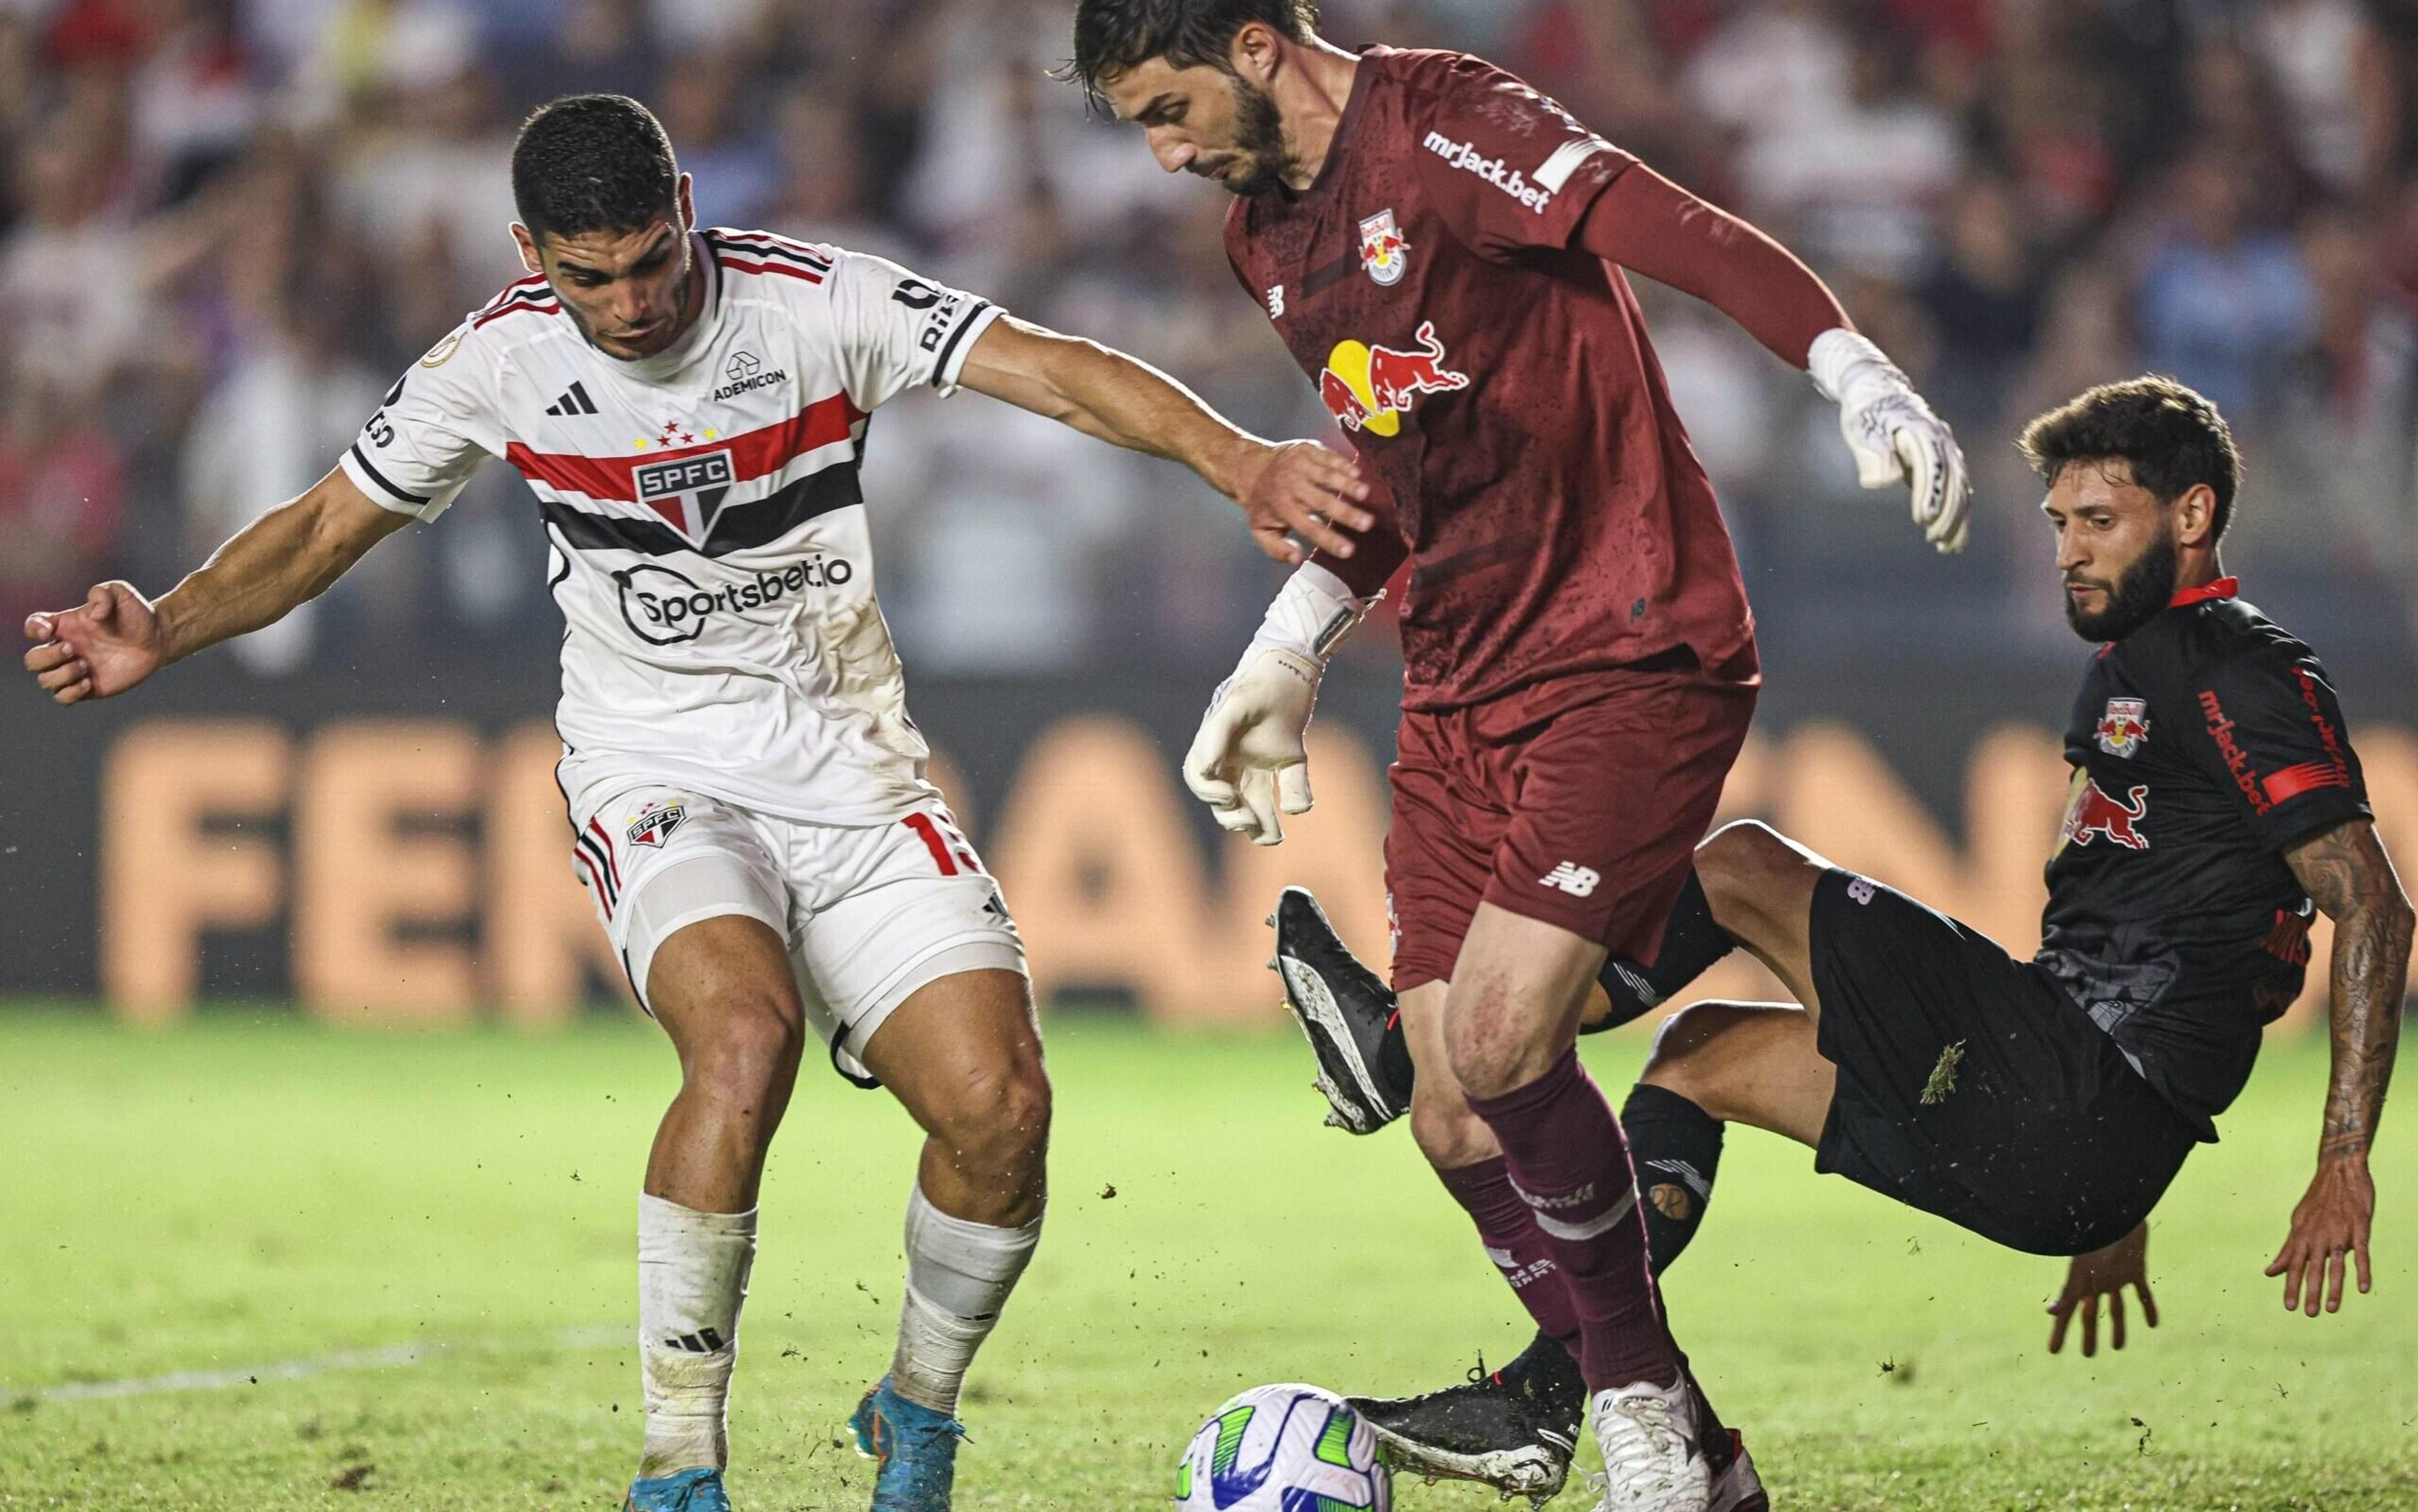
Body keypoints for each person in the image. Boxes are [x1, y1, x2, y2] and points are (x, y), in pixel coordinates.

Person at [20, 93, 1375, 1512]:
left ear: (683, 200)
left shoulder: (811, 301)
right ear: (528, 251)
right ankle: (678, 1466)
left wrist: (1242, 460)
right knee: (743, 1040)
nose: (626, 301)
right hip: (656, 767)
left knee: (1002, 1110)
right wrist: (163, 627)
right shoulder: (497, 358)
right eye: (585, 274)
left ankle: (915, 1416)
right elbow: (322, 524)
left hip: (853, 764)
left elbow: (1052, 370)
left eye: (650, 258)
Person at [1065, 5, 1971, 1509]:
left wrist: (1843, 360)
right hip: (1458, 686)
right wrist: (1289, 645)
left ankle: (1631, 1424)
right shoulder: (1264, 238)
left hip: (1629, 647)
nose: (1164, 154)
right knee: (1447, 1104)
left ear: (1252, 42)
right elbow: (1399, 456)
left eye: (1171, 108)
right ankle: (1709, 1464)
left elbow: (1670, 227)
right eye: (1140, 127)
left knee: (1495, 1043)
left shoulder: (1438, 122)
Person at [1267, 377, 2410, 1475]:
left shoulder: (2243, 674)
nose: (2069, 549)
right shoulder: (2129, 669)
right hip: (2078, 1134)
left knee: (1745, 865)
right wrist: (2112, 1190)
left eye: (2102, 521)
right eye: (2061, 520)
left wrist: (2341, 1160)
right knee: (1694, 1061)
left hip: (2086, 1088)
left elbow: (2373, 904)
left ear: (2195, 513)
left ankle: (1434, 1049)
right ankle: (1546, 1399)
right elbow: (2177, 926)